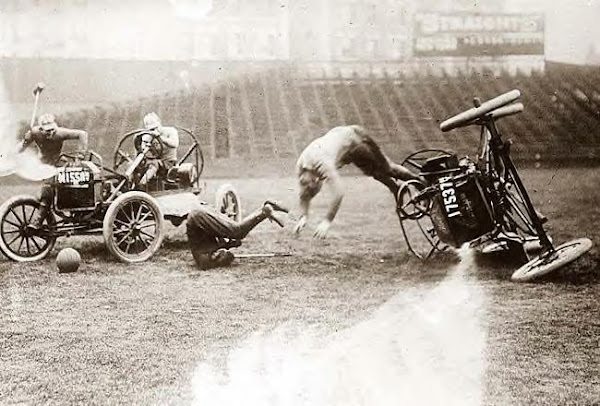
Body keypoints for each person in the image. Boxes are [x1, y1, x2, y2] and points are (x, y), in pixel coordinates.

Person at [293, 124, 422, 239]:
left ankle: (420, 182)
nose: (304, 184)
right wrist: (303, 216)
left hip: (356, 139)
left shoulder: (321, 163)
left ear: (315, 178)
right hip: (345, 149)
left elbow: (339, 193)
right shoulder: (302, 169)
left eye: (309, 185)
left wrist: (327, 221)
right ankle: (397, 189)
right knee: (375, 174)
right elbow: (304, 195)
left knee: (387, 169)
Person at [18, 113, 89, 229]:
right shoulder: (34, 132)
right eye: (47, 131)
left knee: (72, 181)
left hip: (58, 162)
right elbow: (21, 146)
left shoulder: (60, 132)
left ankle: (78, 210)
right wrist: (23, 144)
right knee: (47, 190)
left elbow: (82, 134)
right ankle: (38, 221)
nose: (50, 133)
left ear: (55, 127)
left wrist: (81, 155)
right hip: (44, 164)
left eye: (52, 130)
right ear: (41, 129)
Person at [186, 201, 288, 269]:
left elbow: (222, 252)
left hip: (198, 218)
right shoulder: (204, 254)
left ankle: (264, 212)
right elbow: (215, 240)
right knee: (237, 229)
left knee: (238, 232)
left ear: (214, 257)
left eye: (219, 255)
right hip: (199, 215)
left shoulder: (204, 262)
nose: (221, 252)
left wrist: (227, 248)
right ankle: (266, 207)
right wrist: (230, 244)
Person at [138, 112, 179, 186]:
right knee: (136, 164)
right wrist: (144, 142)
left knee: (154, 164)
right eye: (151, 129)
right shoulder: (149, 135)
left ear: (159, 123)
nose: (154, 130)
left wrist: (160, 138)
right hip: (152, 161)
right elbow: (143, 150)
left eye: (156, 127)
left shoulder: (171, 131)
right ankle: (130, 184)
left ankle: (142, 185)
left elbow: (175, 144)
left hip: (168, 163)